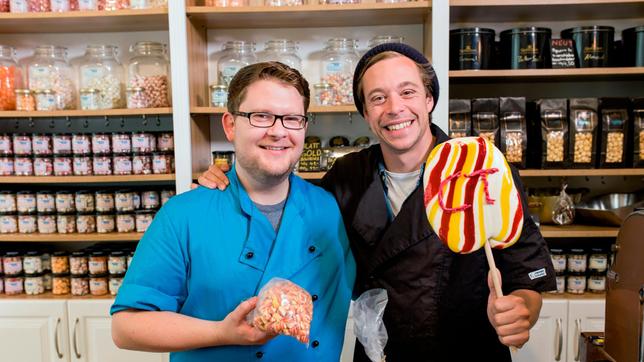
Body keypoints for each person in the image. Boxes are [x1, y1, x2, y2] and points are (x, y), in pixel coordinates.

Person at [198, 44, 556, 361]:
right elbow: (289, 207)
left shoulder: (478, 169)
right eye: (378, 98)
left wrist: (521, 310)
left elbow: (525, 271)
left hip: (467, 350)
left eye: (408, 92)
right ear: (366, 113)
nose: (395, 108)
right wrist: (233, 182)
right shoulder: (348, 175)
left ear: (429, 100)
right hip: (379, 351)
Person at [111, 62, 356, 362]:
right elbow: (126, 327)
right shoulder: (184, 214)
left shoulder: (328, 207)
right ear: (230, 125)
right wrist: (222, 332)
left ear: (304, 127)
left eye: (292, 118)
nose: (278, 131)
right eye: (261, 116)